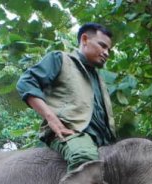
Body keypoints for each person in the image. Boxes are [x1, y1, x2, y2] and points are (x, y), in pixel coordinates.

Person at [17, 23, 116, 171]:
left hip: (103, 142)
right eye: (102, 46)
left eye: (109, 49)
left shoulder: (100, 79)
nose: (106, 53)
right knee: (84, 158)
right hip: (71, 133)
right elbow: (26, 83)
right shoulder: (60, 59)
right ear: (84, 40)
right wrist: (51, 118)